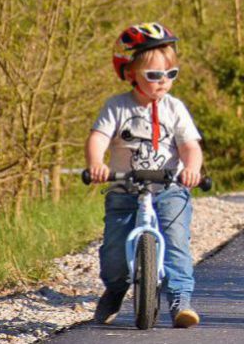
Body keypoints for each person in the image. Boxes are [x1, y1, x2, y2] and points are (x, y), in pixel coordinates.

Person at [86, 22, 205, 328]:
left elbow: (190, 145)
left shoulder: (174, 108)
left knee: (176, 241)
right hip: (125, 189)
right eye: (154, 75)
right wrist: (96, 162)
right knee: (114, 250)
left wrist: (192, 168)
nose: (163, 82)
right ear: (130, 74)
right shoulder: (117, 107)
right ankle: (115, 289)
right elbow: (99, 137)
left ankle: (180, 299)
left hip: (169, 189)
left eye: (171, 74)